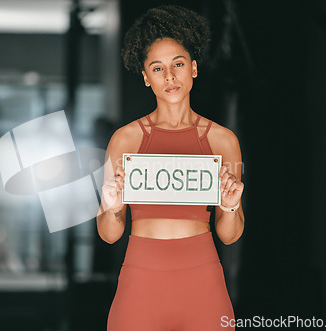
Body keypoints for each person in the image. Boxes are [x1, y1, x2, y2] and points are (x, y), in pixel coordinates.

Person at [96, 5, 244, 331]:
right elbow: (109, 235)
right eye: (157, 68)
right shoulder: (125, 140)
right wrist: (111, 209)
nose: (170, 76)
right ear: (146, 77)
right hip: (140, 279)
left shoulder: (223, 140)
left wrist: (230, 208)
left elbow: (230, 236)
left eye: (178, 64)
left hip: (203, 280)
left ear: (193, 68)